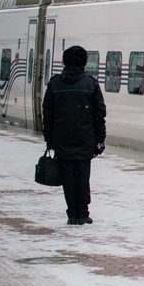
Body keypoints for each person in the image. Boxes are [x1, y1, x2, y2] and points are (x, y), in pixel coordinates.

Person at [43, 45, 107, 225]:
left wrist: (49, 139)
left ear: (64, 61)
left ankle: (72, 214)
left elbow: (47, 114)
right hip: (85, 139)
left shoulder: (54, 84)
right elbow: (99, 115)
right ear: (84, 62)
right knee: (83, 177)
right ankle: (83, 213)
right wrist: (100, 140)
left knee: (68, 179)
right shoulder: (91, 84)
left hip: (62, 139)